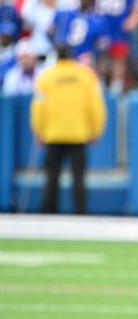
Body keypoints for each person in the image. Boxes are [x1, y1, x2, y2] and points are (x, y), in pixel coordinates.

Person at [30, 44, 106, 214]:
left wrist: (38, 129)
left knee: (51, 175)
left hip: (53, 133)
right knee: (78, 176)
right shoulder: (85, 75)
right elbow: (96, 105)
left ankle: (48, 210)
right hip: (78, 133)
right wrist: (96, 130)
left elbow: (38, 106)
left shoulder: (46, 76)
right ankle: (80, 210)